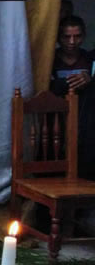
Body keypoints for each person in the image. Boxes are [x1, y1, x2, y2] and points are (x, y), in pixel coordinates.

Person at [50, 15, 95, 180]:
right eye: (66, 36)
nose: (72, 42)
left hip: (86, 123)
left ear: (84, 36)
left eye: (77, 36)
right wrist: (67, 84)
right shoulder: (50, 60)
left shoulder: (90, 60)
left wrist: (90, 81)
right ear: (58, 37)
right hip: (55, 121)